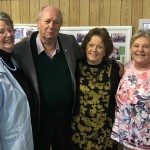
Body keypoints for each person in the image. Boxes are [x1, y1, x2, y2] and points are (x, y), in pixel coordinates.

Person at [13, 5, 83, 150]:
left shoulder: (70, 42)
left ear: (60, 25)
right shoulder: (21, 50)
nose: (51, 26)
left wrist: (113, 65)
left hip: (66, 119)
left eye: (56, 22)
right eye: (47, 21)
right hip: (38, 120)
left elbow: (88, 61)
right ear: (38, 23)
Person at [71, 28, 121, 150]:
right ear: (85, 47)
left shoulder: (116, 69)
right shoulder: (74, 66)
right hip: (78, 132)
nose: (94, 50)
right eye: (91, 45)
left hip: (105, 134)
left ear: (105, 51)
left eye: (99, 47)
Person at [0, 12, 39, 150]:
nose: (9, 35)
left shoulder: (13, 61)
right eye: (1, 32)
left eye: (10, 30)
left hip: (26, 138)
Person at [111, 29, 150, 150]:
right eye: (136, 46)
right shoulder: (125, 67)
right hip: (126, 138)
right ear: (131, 48)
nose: (140, 50)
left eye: (146, 46)